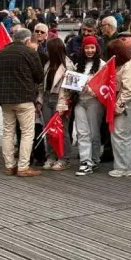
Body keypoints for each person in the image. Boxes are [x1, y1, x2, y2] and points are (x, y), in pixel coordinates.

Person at [0, 27, 46, 176]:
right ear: (27, 40)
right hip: (24, 98)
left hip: (5, 99)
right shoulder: (30, 52)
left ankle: (10, 165)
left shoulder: (2, 52)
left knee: (8, 132)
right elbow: (39, 76)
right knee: (27, 133)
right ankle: (23, 166)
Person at [65, 36, 107, 176]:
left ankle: (94, 158)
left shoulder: (102, 65)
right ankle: (85, 161)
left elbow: (105, 86)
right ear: (83, 49)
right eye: (87, 47)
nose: (89, 50)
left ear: (96, 48)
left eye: (92, 47)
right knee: (82, 132)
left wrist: (91, 90)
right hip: (79, 101)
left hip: (94, 102)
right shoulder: (78, 64)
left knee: (94, 132)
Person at [109, 37, 131, 177]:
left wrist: (118, 106)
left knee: (119, 134)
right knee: (125, 135)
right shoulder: (123, 64)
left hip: (128, 102)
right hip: (127, 101)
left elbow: (128, 90)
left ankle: (123, 167)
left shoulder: (128, 67)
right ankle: (128, 165)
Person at [41, 38, 72, 171]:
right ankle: (51, 156)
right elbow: (42, 85)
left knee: (62, 131)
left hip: (60, 99)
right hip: (47, 98)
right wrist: (39, 100)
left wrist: (63, 105)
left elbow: (69, 90)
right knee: (49, 130)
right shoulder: (48, 64)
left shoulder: (68, 65)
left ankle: (64, 158)